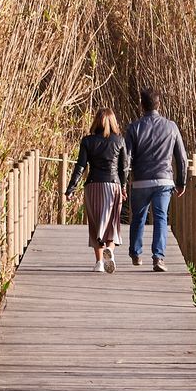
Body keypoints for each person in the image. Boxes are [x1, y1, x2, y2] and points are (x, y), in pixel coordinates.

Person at [122, 88, 189, 271]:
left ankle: (136, 253)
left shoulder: (134, 127)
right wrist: (181, 181)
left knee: (138, 217)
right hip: (164, 180)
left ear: (141, 105)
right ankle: (158, 257)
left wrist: (123, 182)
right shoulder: (171, 127)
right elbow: (182, 157)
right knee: (161, 217)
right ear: (159, 105)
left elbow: (126, 158)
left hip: (140, 180)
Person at [65, 107, 129, 273]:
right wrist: (123, 187)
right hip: (113, 185)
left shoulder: (87, 141)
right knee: (113, 223)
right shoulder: (120, 141)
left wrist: (71, 188)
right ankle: (111, 251)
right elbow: (124, 168)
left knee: (95, 224)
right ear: (113, 121)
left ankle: (99, 262)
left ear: (96, 121)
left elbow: (80, 166)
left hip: (93, 185)